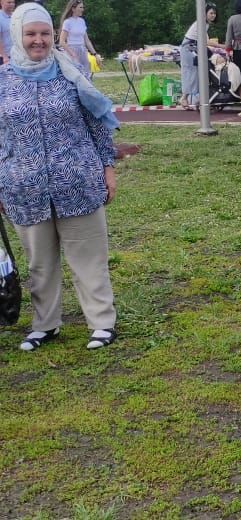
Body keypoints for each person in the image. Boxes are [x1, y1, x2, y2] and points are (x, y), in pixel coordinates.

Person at [0, 2, 120, 352]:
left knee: (89, 258)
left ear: (54, 35)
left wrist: (107, 169)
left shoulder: (71, 74)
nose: (38, 40)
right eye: (31, 34)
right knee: (39, 262)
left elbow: (97, 126)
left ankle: (102, 323)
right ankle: (45, 325)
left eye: (45, 33)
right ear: (17, 36)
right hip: (24, 186)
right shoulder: (3, 82)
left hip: (78, 182)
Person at [178, 3, 225, 110]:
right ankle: (187, 99)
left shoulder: (205, 24)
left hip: (195, 47)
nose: (213, 15)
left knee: (197, 73)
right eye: (211, 13)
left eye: (214, 13)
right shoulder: (201, 23)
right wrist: (222, 46)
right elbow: (206, 41)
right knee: (192, 73)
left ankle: (189, 99)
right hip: (189, 48)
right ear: (205, 14)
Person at [58, 0, 96, 79]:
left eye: (83, 7)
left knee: (86, 74)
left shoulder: (82, 21)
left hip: (82, 50)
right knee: (76, 75)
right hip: (72, 51)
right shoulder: (67, 22)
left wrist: (95, 54)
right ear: (73, 9)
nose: (82, 9)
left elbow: (87, 40)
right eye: (80, 7)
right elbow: (62, 41)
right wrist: (72, 53)